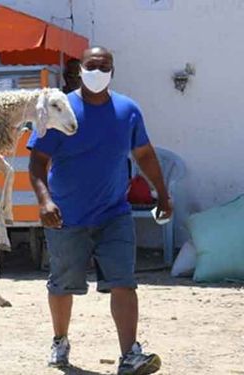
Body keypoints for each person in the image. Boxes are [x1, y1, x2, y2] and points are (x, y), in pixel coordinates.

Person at [28, 46, 168, 375]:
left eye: (104, 66)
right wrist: (44, 201)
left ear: (113, 72)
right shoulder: (58, 109)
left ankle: (130, 354)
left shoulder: (128, 111)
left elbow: (145, 155)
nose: (98, 71)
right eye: (92, 66)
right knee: (63, 283)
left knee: (124, 281)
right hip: (66, 215)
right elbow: (36, 163)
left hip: (113, 213)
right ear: (80, 70)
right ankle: (60, 340)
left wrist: (162, 192)